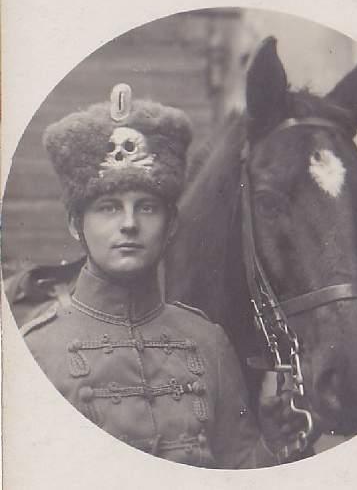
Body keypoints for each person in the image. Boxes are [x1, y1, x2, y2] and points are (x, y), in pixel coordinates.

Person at [20, 84, 300, 468]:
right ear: (74, 225)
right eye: (108, 208)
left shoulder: (208, 344)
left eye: (147, 208)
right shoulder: (35, 352)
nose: (130, 224)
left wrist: (272, 444)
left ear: (171, 226)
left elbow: (239, 466)